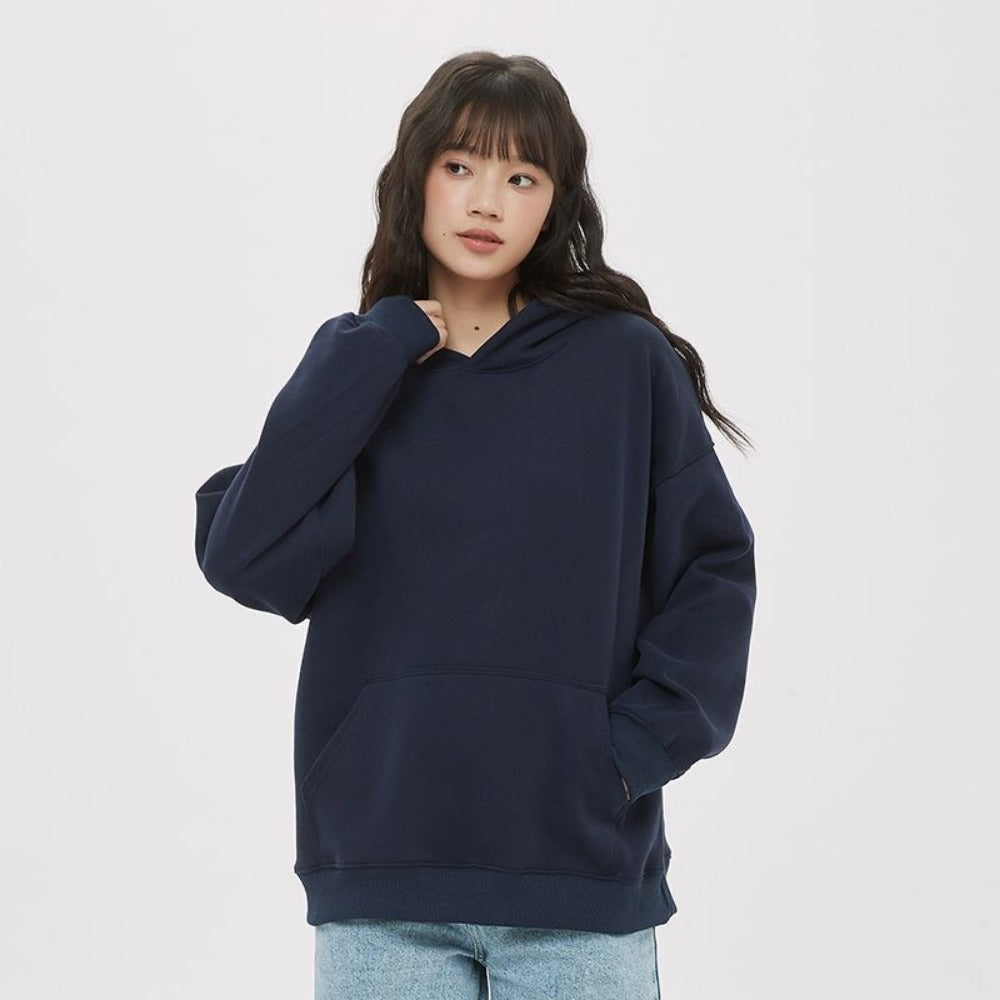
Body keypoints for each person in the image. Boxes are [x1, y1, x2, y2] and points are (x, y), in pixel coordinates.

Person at [194, 49, 757, 1000]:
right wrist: (375, 347)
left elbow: (713, 569)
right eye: (460, 166)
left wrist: (631, 753)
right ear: (415, 176)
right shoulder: (363, 371)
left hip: (579, 876)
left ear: (556, 203)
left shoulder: (622, 365)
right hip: (382, 877)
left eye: (521, 176)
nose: (486, 201)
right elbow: (243, 555)